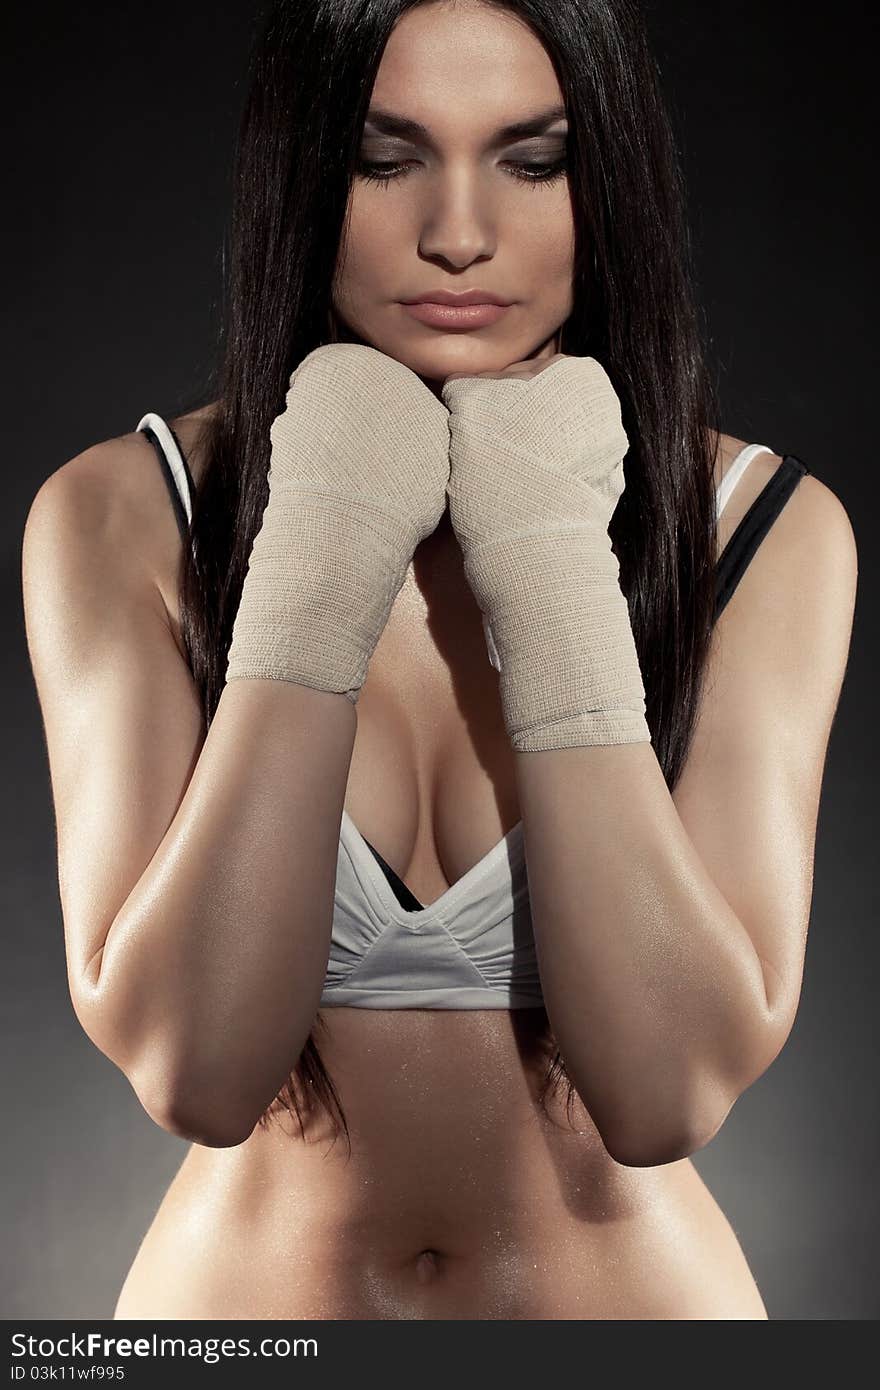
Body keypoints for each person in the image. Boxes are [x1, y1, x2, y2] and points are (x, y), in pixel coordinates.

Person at [21, 0, 857, 1320]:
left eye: (532, 160)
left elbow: (668, 1088)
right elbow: (196, 1063)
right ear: (302, 173)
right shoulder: (126, 515)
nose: (459, 231)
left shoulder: (758, 529)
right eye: (386, 155)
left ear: (611, 183)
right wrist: (321, 551)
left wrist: (547, 551)